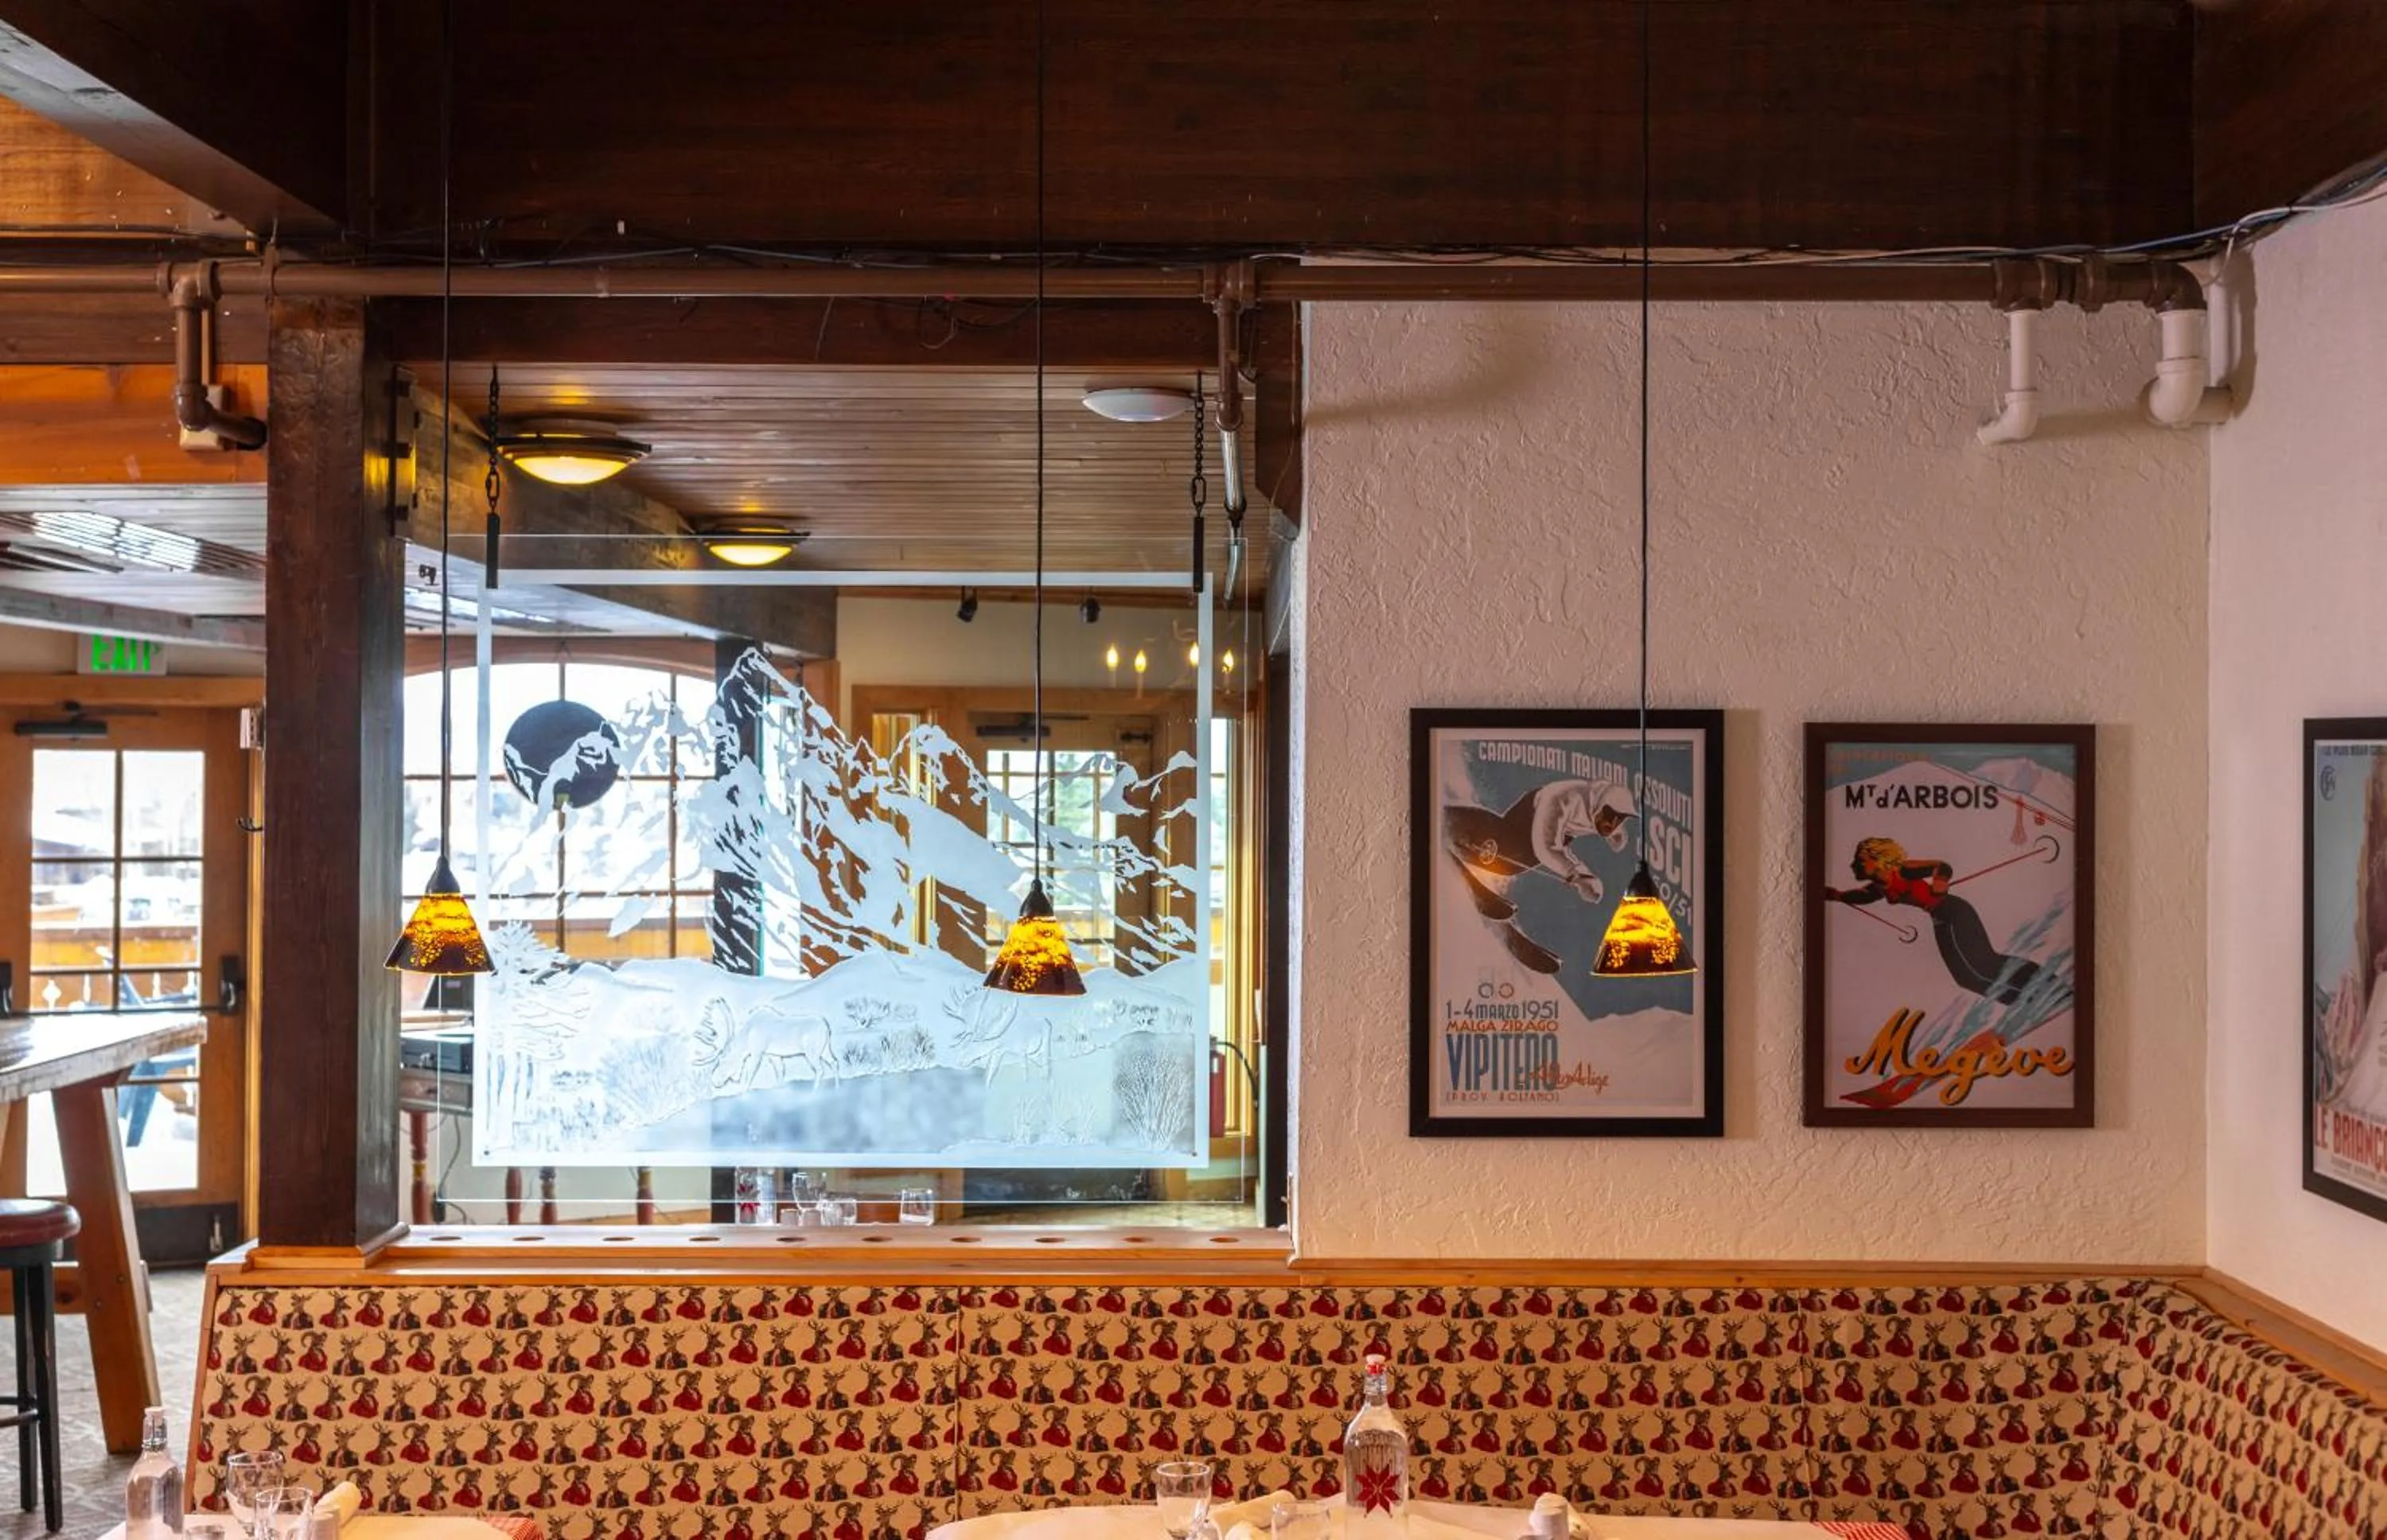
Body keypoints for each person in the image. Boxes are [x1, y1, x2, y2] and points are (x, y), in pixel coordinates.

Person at [1443, 779, 1637, 973]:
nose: (1612, 823)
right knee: (1507, 856)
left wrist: (1616, 836)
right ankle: (1453, 824)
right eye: (1610, 815)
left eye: (1619, 819)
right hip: (1531, 819)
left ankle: (1462, 839)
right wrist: (1580, 876)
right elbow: (1546, 847)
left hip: (1552, 836)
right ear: (1600, 805)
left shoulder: (1603, 813)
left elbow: (1609, 819)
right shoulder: (1564, 800)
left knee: (1511, 864)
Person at [1824, 836, 2043, 1005]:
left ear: (1877, 859)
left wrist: (1940, 880)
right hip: (1940, 918)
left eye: (1860, 860)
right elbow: (1861, 896)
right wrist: (1838, 896)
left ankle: (2042, 989)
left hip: (1954, 912)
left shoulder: (1902, 871)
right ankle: (2027, 1000)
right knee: (1966, 978)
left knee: (1986, 964)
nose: (1854, 865)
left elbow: (1941, 865)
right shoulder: (1879, 887)